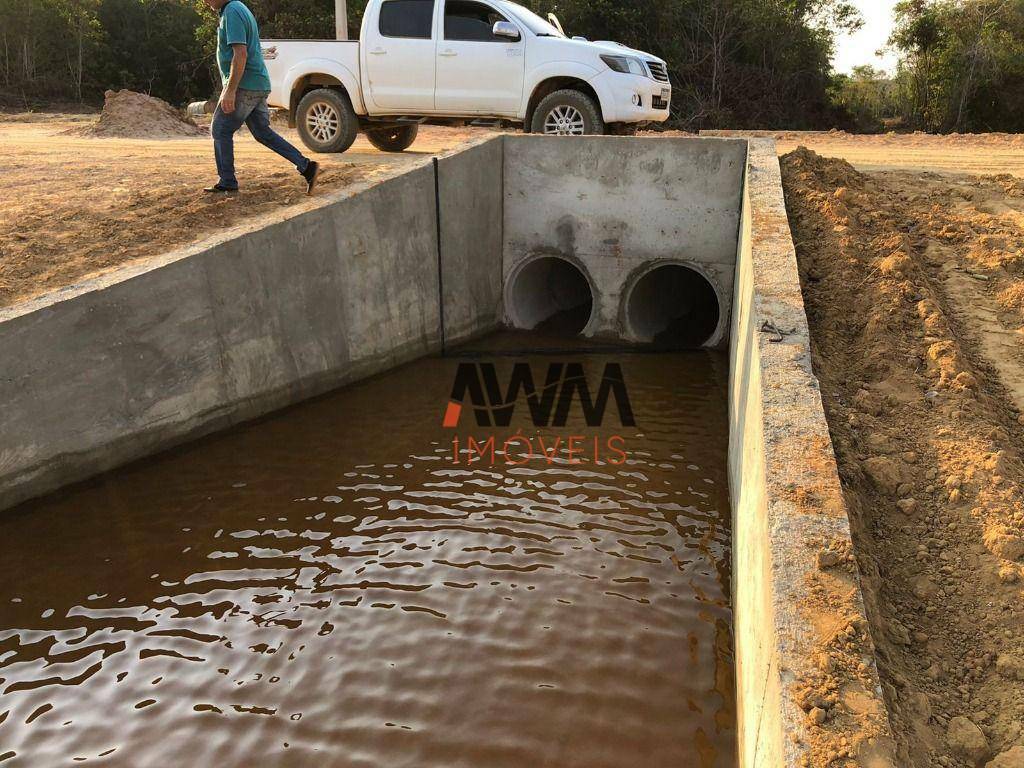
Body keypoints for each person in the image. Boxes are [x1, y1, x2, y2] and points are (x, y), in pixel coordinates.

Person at [203, 0, 319, 194]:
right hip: (257, 83)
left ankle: (227, 181)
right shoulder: (237, 9)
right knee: (263, 133)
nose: (205, 1)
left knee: (220, 129)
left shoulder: (232, 11)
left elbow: (240, 54)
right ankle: (307, 167)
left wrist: (230, 91)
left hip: (245, 86)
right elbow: (250, 48)